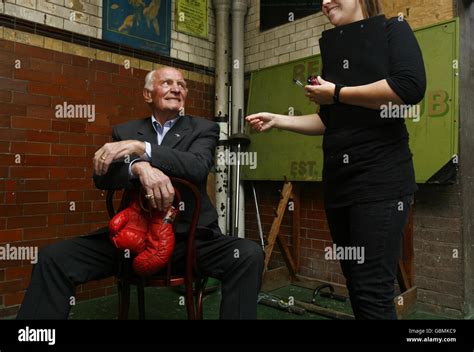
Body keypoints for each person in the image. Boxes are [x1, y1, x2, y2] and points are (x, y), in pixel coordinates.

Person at [17, 67, 264, 320]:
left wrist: (141, 149)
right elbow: (103, 176)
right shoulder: (124, 131)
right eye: (167, 83)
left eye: (182, 84)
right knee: (53, 258)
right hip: (132, 241)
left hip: (189, 241)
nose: (177, 88)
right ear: (147, 94)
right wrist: (138, 166)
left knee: (248, 255)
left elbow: (197, 167)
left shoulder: (203, 128)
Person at [246, 0, 426, 319]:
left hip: (380, 180)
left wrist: (338, 92)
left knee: (373, 290)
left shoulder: (393, 29)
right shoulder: (335, 46)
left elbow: (408, 88)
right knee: (355, 282)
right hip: (340, 185)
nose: (325, 2)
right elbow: (328, 121)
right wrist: (278, 119)